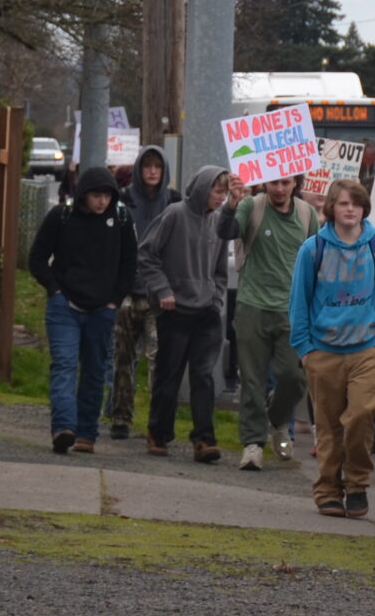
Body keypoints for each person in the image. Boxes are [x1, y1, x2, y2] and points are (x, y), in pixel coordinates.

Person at [286, 178, 375, 518]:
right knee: (330, 425)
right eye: (344, 203)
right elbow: (299, 302)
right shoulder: (312, 249)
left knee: (362, 416)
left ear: (364, 208)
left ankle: (358, 484)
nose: (350, 209)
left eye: (356, 203)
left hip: (367, 348)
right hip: (323, 349)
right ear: (331, 208)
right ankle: (328, 490)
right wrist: (305, 348)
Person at [28, 165, 138, 454]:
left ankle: (86, 433)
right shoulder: (61, 217)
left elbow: (129, 263)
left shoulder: (122, 219)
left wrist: (115, 299)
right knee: (64, 364)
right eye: (96, 195)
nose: (102, 201)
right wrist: (55, 290)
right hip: (65, 306)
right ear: (84, 195)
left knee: (95, 370)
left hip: (102, 308)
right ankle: (64, 427)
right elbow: (37, 258)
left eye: (107, 195)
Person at [134, 165, 233, 461]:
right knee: (169, 374)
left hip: (206, 312)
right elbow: (147, 254)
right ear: (204, 188)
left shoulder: (218, 222)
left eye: (225, 192)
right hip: (175, 310)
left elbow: (219, 270)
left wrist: (216, 297)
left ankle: (204, 439)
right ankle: (158, 432)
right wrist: (163, 290)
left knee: (203, 375)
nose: (221, 197)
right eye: (218, 191)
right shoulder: (174, 214)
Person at [219, 174, 317, 472]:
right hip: (252, 304)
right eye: (274, 183)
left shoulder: (306, 213)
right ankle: (252, 444)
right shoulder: (252, 206)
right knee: (252, 379)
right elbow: (227, 230)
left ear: (294, 184)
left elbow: (314, 258)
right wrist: (231, 204)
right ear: (265, 183)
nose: (279, 189)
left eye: (285, 183)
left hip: (291, 310)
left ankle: (276, 420)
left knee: (293, 377)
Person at [107, 143, 175, 439]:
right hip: (126, 292)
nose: (151, 171)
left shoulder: (173, 202)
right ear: (138, 168)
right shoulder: (123, 201)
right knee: (122, 358)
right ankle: (120, 416)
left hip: (159, 295)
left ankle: (157, 422)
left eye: (157, 166)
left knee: (158, 359)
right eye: (147, 165)